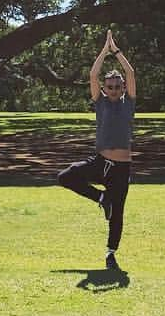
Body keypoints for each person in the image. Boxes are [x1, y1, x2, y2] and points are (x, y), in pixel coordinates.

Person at [57, 29, 136, 271]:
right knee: (65, 176)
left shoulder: (129, 103)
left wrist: (117, 51)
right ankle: (102, 198)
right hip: (100, 162)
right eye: (109, 87)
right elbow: (93, 73)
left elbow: (130, 73)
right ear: (104, 88)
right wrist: (104, 49)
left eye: (117, 86)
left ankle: (111, 254)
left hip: (121, 168)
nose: (113, 90)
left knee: (118, 214)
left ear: (123, 88)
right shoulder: (100, 102)